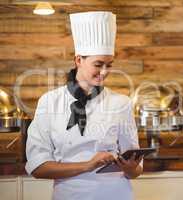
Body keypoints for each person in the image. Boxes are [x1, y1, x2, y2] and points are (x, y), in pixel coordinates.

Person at [25, 11, 143, 200]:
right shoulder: (49, 102)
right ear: (78, 60)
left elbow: (135, 170)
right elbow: (38, 167)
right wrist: (88, 165)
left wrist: (131, 168)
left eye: (109, 65)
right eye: (98, 64)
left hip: (117, 195)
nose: (104, 72)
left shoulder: (121, 103)